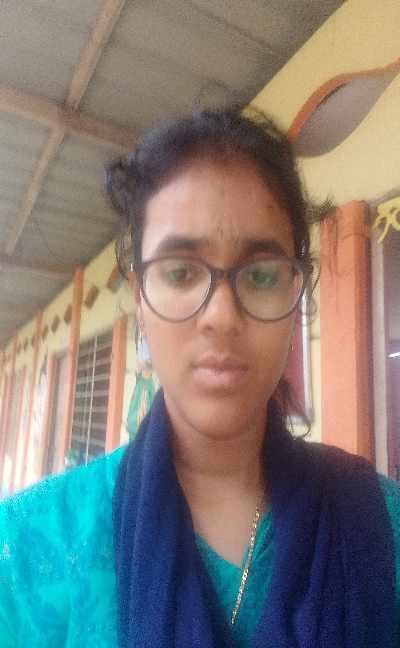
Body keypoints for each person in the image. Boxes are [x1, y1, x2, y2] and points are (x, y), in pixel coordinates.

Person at [0, 108, 399, 648]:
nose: (221, 316)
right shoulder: (26, 552)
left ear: (296, 295)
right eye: (181, 272)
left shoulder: (380, 522)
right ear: (140, 300)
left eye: (261, 275)